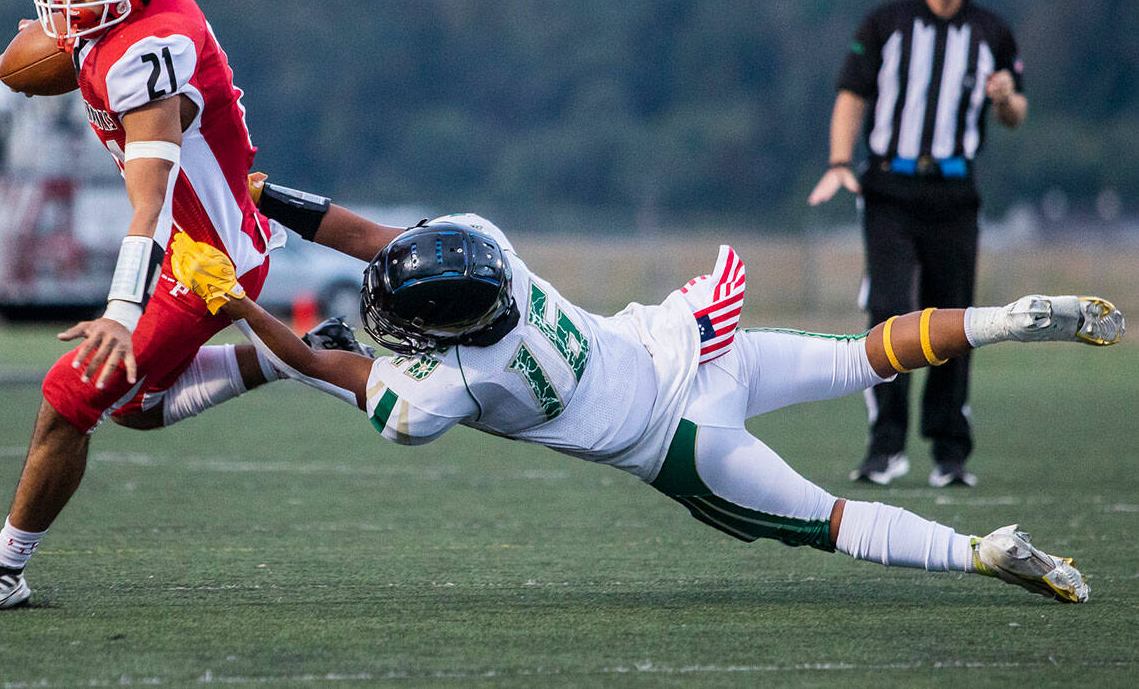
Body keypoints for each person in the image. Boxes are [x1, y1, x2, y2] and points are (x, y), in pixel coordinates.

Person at [167, 194, 1122, 605]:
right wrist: (264, 194)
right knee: (866, 355)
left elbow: (319, 361)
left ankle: (979, 552)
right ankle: (1007, 317)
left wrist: (236, 297)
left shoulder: (452, 384)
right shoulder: (489, 246)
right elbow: (375, 235)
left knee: (835, 522)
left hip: (682, 443)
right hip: (695, 340)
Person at [0, 0, 372, 611]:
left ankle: (3, 569)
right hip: (192, 244)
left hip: (207, 258)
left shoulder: (147, 48)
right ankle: (295, 356)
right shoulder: (127, 16)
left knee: (68, 398)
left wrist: (121, 311)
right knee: (133, 406)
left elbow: (149, 197)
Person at [807, 0, 1029, 488]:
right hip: (890, 187)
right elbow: (851, 95)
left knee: (956, 318)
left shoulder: (992, 33)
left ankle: (950, 451)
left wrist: (1004, 97)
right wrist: (838, 162)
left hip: (954, 191)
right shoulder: (886, 23)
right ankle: (885, 446)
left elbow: (1015, 113)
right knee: (887, 310)